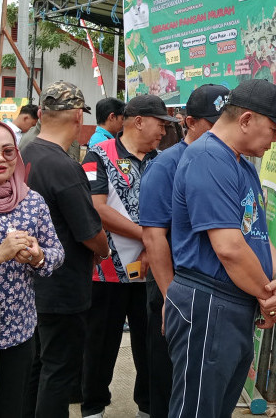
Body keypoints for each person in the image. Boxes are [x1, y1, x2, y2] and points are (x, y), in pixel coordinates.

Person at [165, 79, 276, 417]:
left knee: (217, 406)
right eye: (272, 128)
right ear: (247, 119)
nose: (274, 139)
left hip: (233, 302)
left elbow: (257, 233)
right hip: (209, 301)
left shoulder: (240, 163)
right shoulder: (210, 157)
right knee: (197, 409)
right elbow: (229, 248)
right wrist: (269, 299)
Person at [0, 118, 64, 418]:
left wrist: (37, 256)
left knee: (12, 409)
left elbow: (56, 254)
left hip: (19, 332)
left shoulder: (31, 201)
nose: (1, 159)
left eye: (8, 151)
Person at [81, 94, 174, 418]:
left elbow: (170, 213)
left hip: (152, 272)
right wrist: (148, 237)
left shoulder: (163, 160)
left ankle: (147, 407)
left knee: (150, 346)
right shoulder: (97, 155)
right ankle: (93, 407)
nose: (163, 132)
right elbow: (98, 209)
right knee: (100, 345)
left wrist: (153, 247)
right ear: (138, 121)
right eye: (160, 124)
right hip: (106, 270)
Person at [20, 81, 110, 418]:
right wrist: (103, 250)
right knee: (60, 370)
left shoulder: (25, 153)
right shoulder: (65, 166)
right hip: (62, 284)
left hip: (29, 280)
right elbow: (90, 234)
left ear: (41, 114)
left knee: (37, 364)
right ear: (77, 116)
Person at [140, 84, 229, 418]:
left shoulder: (229, 161)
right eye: (214, 123)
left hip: (215, 293)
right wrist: (169, 298)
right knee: (170, 380)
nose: (223, 131)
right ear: (190, 122)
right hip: (174, 287)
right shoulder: (166, 166)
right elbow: (154, 238)